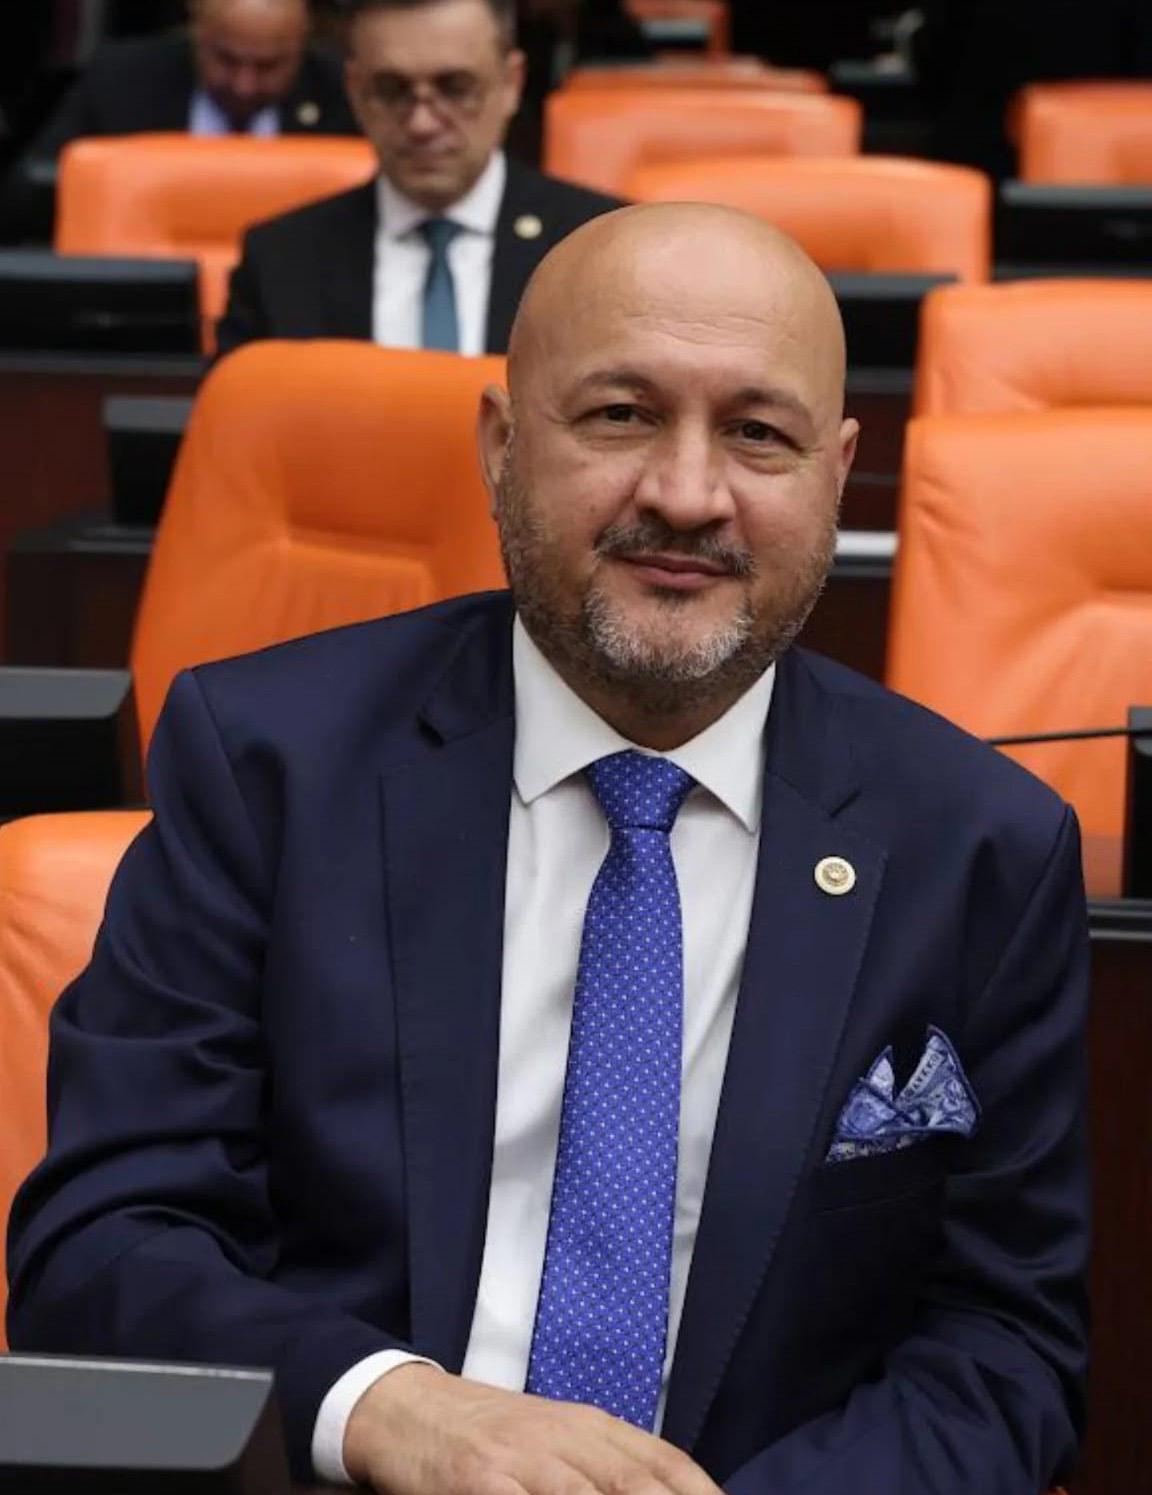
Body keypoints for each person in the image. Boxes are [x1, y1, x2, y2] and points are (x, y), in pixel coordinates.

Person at [7, 204, 1089, 1495]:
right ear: (503, 444)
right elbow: (106, 1241)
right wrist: (395, 1409)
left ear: (838, 470)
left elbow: (1004, 1346)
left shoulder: (981, 849)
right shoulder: (268, 764)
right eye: (621, 415)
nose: (687, 495)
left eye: (758, 433)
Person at [215, 0, 621, 356]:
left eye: (456, 88)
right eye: (392, 90)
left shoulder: (597, 247)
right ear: (355, 92)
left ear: (511, 84)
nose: (422, 123)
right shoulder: (281, 261)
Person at [1, 0, 358, 240]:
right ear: (196, 33)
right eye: (226, 60)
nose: (244, 84)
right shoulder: (122, 81)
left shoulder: (343, 97)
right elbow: (25, 200)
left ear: (302, 45)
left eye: (268, 66)